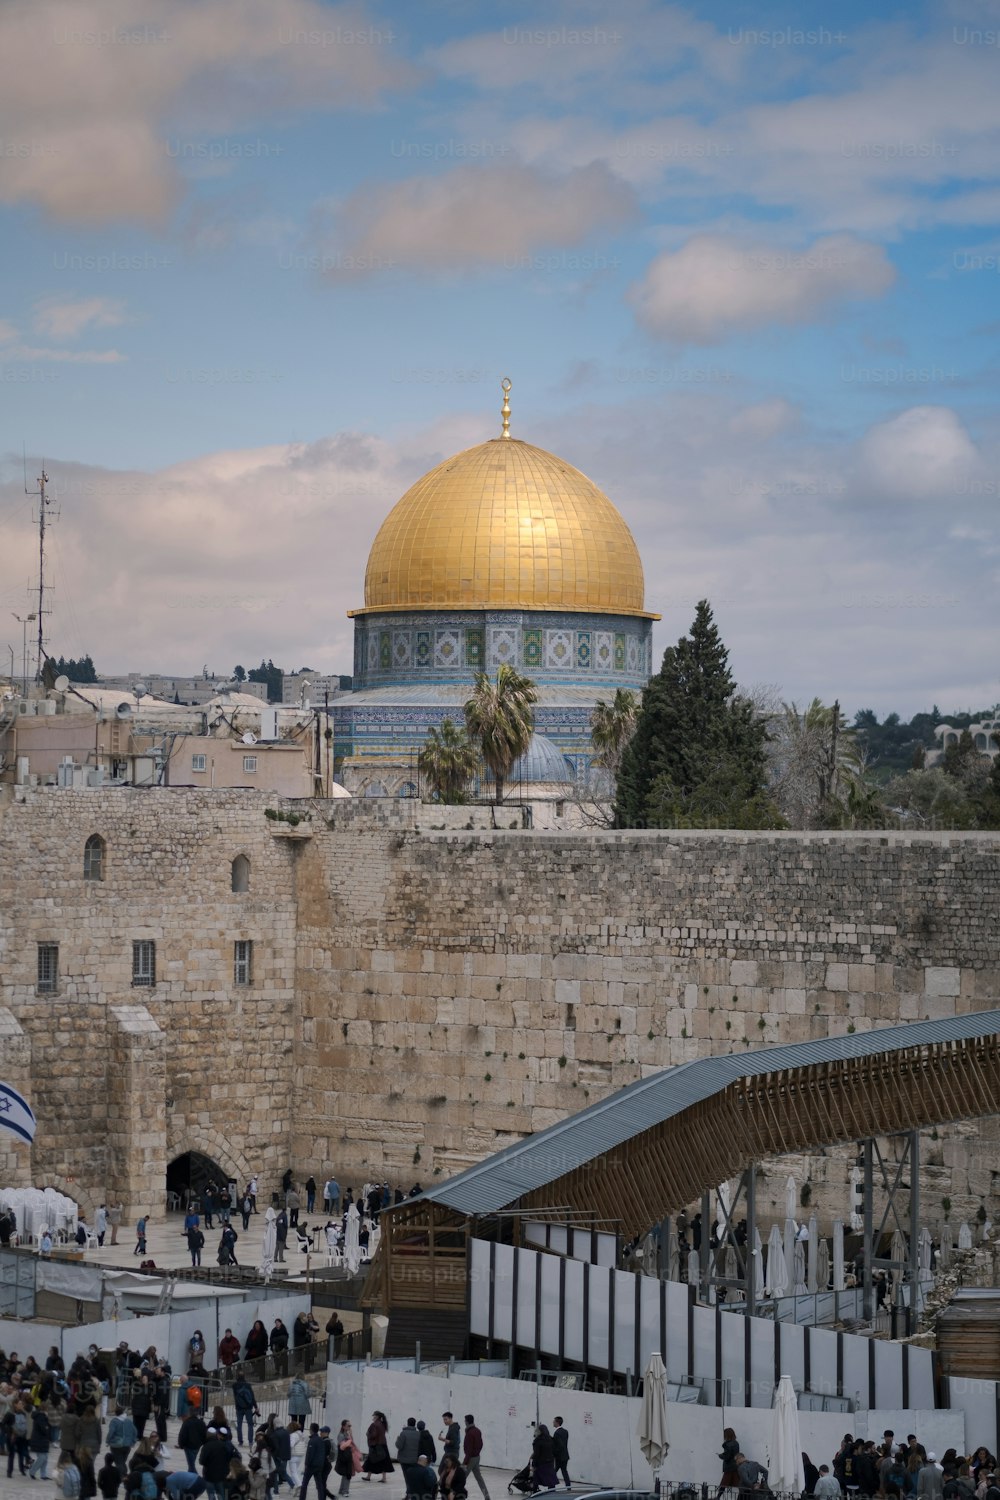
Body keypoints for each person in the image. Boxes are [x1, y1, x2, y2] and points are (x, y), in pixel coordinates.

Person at [361, 1411, 393, 1484]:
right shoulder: (382, 1424)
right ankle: (383, 1478)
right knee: (383, 1462)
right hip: (383, 1445)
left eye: (374, 1416)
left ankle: (368, 1477)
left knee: (371, 1461)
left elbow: (373, 1435)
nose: (373, 1417)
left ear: (377, 1417)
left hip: (376, 1445)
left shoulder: (374, 1424)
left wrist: (368, 1434)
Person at [463, 1416, 489, 1500]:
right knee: (479, 1479)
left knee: (461, 1477)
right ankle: (487, 1496)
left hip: (471, 1459)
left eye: (465, 1420)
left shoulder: (470, 1433)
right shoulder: (477, 1431)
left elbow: (469, 1450)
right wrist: (477, 1452)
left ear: (467, 1422)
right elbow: (481, 1444)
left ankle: (455, 1495)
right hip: (477, 1457)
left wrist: (465, 1462)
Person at [299, 1423, 327, 1500]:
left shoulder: (312, 1441)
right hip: (319, 1466)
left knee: (304, 1484)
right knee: (319, 1485)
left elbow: (309, 1455)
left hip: (311, 1466)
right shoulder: (321, 1440)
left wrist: (306, 1465)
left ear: (311, 1430)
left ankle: (302, 1498)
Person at [108, 1407, 137, 1478]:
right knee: (122, 1461)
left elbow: (111, 1432)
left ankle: (122, 1475)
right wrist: (133, 1441)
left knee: (119, 1462)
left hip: (116, 1445)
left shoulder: (114, 1421)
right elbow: (135, 1431)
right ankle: (123, 1473)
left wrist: (108, 1440)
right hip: (127, 1446)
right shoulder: (128, 1421)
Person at [28, 1400, 54, 1479]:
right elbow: (44, 1428)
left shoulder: (43, 1416)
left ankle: (43, 1474)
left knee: (45, 1458)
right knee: (42, 1457)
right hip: (39, 1440)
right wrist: (47, 1429)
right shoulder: (41, 1416)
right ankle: (32, 1471)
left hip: (42, 1440)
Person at [233, 1374, 260, 1447]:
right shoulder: (248, 1385)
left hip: (239, 1408)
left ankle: (240, 1441)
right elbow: (252, 1396)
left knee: (239, 1425)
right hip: (248, 1408)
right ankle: (250, 1441)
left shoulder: (234, 1386)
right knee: (250, 1425)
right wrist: (256, 1407)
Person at [334, 1420, 360, 1497]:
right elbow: (342, 1446)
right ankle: (345, 1491)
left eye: (350, 1426)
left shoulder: (346, 1434)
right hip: (344, 1457)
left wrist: (351, 1436)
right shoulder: (341, 1435)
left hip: (348, 1456)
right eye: (348, 1425)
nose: (350, 1427)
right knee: (347, 1473)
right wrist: (349, 1440)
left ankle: (342, 1490)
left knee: (346, 1474)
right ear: (343, 1426)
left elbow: (352, 1443)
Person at [396, 1419, 421, 1494]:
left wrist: (398, 1439)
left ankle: (409, 1493)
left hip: (404, 1460)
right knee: (414, 1477)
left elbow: (399, 1446)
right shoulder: (418, 1434)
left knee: (407, 1477)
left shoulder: (403, 1433)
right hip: (415, 1460)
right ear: (414, 1424)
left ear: (407, 1423)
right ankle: (414, 1492)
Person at [179, 1408, 208, 1472]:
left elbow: (182, 1435)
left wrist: (181, 1444)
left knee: (191, 1465)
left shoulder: (186, 1422)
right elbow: (204, 1434)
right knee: (191, 1463)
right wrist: (202, 1443)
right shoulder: (201, 1423)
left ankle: (195, 1478)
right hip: (197, 1446)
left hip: (188, 1446)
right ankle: (191, 1478)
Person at [531, 1426, 556, 1493]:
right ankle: (552, 1492)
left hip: (540, 1462)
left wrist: (533, 1464)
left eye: (537, 1431)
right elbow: (554, 1450)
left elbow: (536, 1454)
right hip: (550, 1462)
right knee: (551, 1478)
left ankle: (534, 1492)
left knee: (536, 1478)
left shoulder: (537, 1440)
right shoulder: (551, 1439)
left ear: (540, 1431)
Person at [719, 1428, 741, 1493]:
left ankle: (717, 1497)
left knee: (723, 1484)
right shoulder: (736, 1443)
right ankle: (744, 1497)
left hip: (729, 1467)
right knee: (739, 1484)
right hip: (735, 1466)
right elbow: (734, 1454)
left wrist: (720, 1456)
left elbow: (727, 1456)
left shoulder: (728, 1444)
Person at [552, 1418, 569, 1492]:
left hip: (559, 1457)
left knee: (552, 1472)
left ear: (557, 1422)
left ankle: (551, 1487)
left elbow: (558, 1445)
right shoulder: (565, 1431)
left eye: (554, 1421)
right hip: (565, 1455)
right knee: (564, 1471)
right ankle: (568, 1487)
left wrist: (554, 1453)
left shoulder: (557, 1433)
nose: (553, 1423)